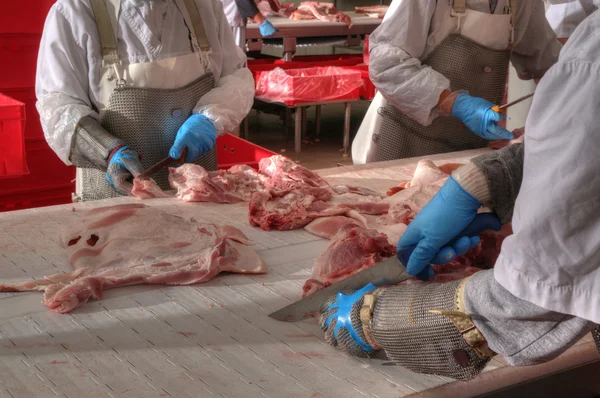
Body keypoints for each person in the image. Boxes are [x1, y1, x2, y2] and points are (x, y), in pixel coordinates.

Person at [320, 1, 600, 380]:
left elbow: (538, 291)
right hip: (407, 133)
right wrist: (487, 180)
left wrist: (376, 320)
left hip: (467, 140)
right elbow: (385, 58)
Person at [36, 0, 255, 201]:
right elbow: (59, 105)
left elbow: (235, 76)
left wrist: (210, 117)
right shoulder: (75, 11)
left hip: (198, 195)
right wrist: (106, 150)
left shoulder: (204, 6)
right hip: (114, 199)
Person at [352, 0, 562, 164]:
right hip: (405, 141)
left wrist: (549, 118)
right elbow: (386, 64)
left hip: (470, 147)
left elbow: (546, 62)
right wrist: (456, 103)